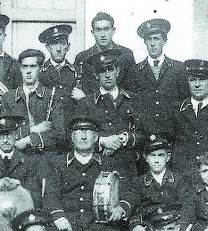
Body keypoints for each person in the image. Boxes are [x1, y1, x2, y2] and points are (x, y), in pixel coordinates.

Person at [42, 116, 131, 231]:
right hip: (68, 222)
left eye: (88, 132)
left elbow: (128, 192)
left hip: (98, 223)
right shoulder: (57, 164)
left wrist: (121, 207)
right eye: (78, 132)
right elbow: (50, 195)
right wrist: (58, 216)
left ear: (96, 137)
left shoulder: (109, 163)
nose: (83, 137)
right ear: (72, 137)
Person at [75, 49, 146, 177]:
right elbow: (75, 138)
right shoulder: (86, 103)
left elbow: (144, 133)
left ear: (117, 72)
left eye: (111, 69)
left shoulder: (133, 99)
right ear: (96, 75)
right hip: (96, 168)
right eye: (102, 71)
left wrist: (124, 138)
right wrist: (102, 141)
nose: (107, 75)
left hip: (128, 167)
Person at [0, 49, 66, 157]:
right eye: (25, 67)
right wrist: (33, 129)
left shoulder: (52, 96)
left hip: (45, 158)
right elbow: (5, 133)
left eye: (33, 66)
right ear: (20, 69)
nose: (28, 71)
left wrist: (28, 140)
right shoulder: (8, 98)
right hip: (18, 158)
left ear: (40, 69)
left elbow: (60, 134)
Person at [128, 134, 195, 231]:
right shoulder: (139, 182)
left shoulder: (179, 180)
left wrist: (182, 228)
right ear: (145, 158)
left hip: (175, 229)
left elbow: (188, 206)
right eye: (152, 155)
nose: (156, 160)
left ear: (167, 157)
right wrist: (136, 225)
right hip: (150, 230)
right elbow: (134, 209)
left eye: (160, 155)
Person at [131, 19, 189, 135]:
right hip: (144, 134)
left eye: (156, 39)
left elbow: (186, 102)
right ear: (145, 43)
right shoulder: (135, 70)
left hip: (173, 133)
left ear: (164, 41)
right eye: (149, 39)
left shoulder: (178, 68)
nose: (152, 44)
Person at [74, 12, 136, 96]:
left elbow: (133, 88)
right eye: (98, 30)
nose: (103, 35)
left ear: (113, 31)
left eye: (106, 29)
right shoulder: (83, 58)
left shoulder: (126, 55)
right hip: (91, 107)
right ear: (93, 33)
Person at [38, 24, 85, 119]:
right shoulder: (39, 72)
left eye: (63, 43)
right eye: (54, 44)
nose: (59, 49)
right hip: (47, 126)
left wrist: (83, 98)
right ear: (47, 47)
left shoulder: (77, 72)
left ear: (68, 46)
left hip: (71, 126)